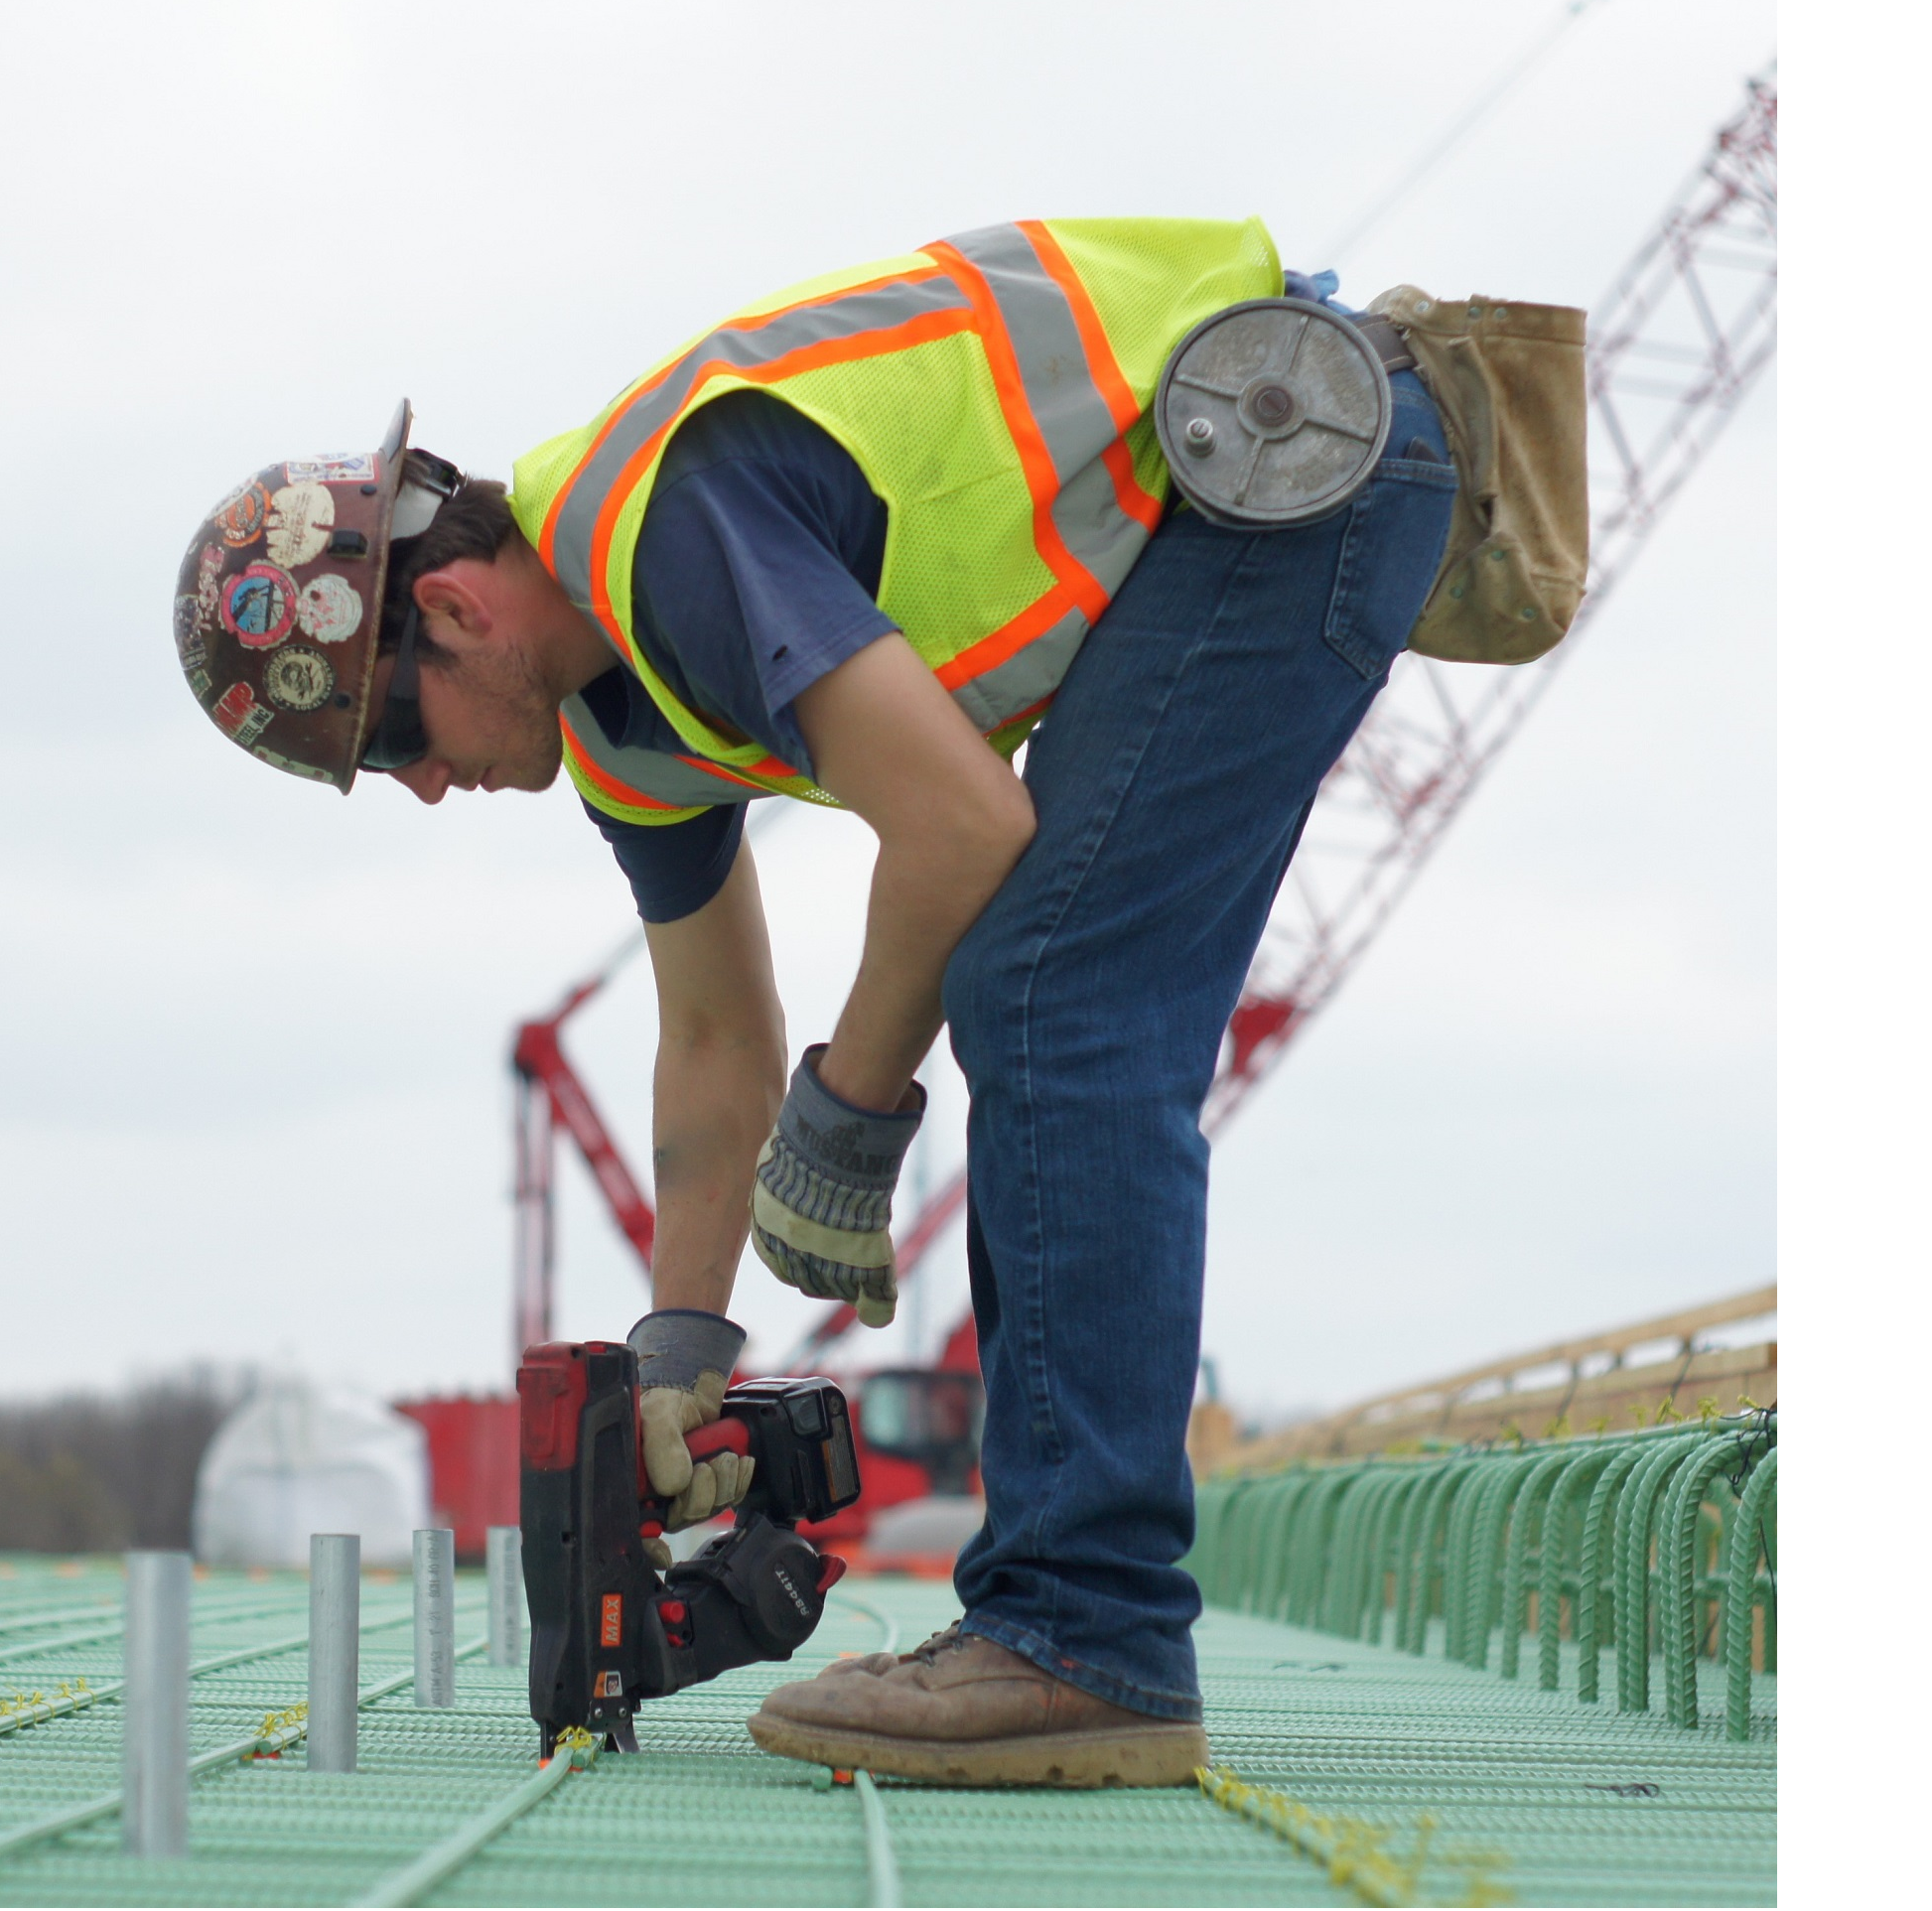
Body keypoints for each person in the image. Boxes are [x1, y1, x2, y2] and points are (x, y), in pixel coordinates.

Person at [170, 218, 1475, 1787]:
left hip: (1288, 447)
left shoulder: (658, 535)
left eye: (396, 745)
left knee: (1048, 985)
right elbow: (714, 1037)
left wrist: (852, 1113)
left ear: (447, 612)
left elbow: (963, 828)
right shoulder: (623, 726)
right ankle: (1083, 1628)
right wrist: (679, 1351)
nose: (433, 789)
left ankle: (1086, 1639)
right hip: (1250, 485)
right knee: (1042, 976)